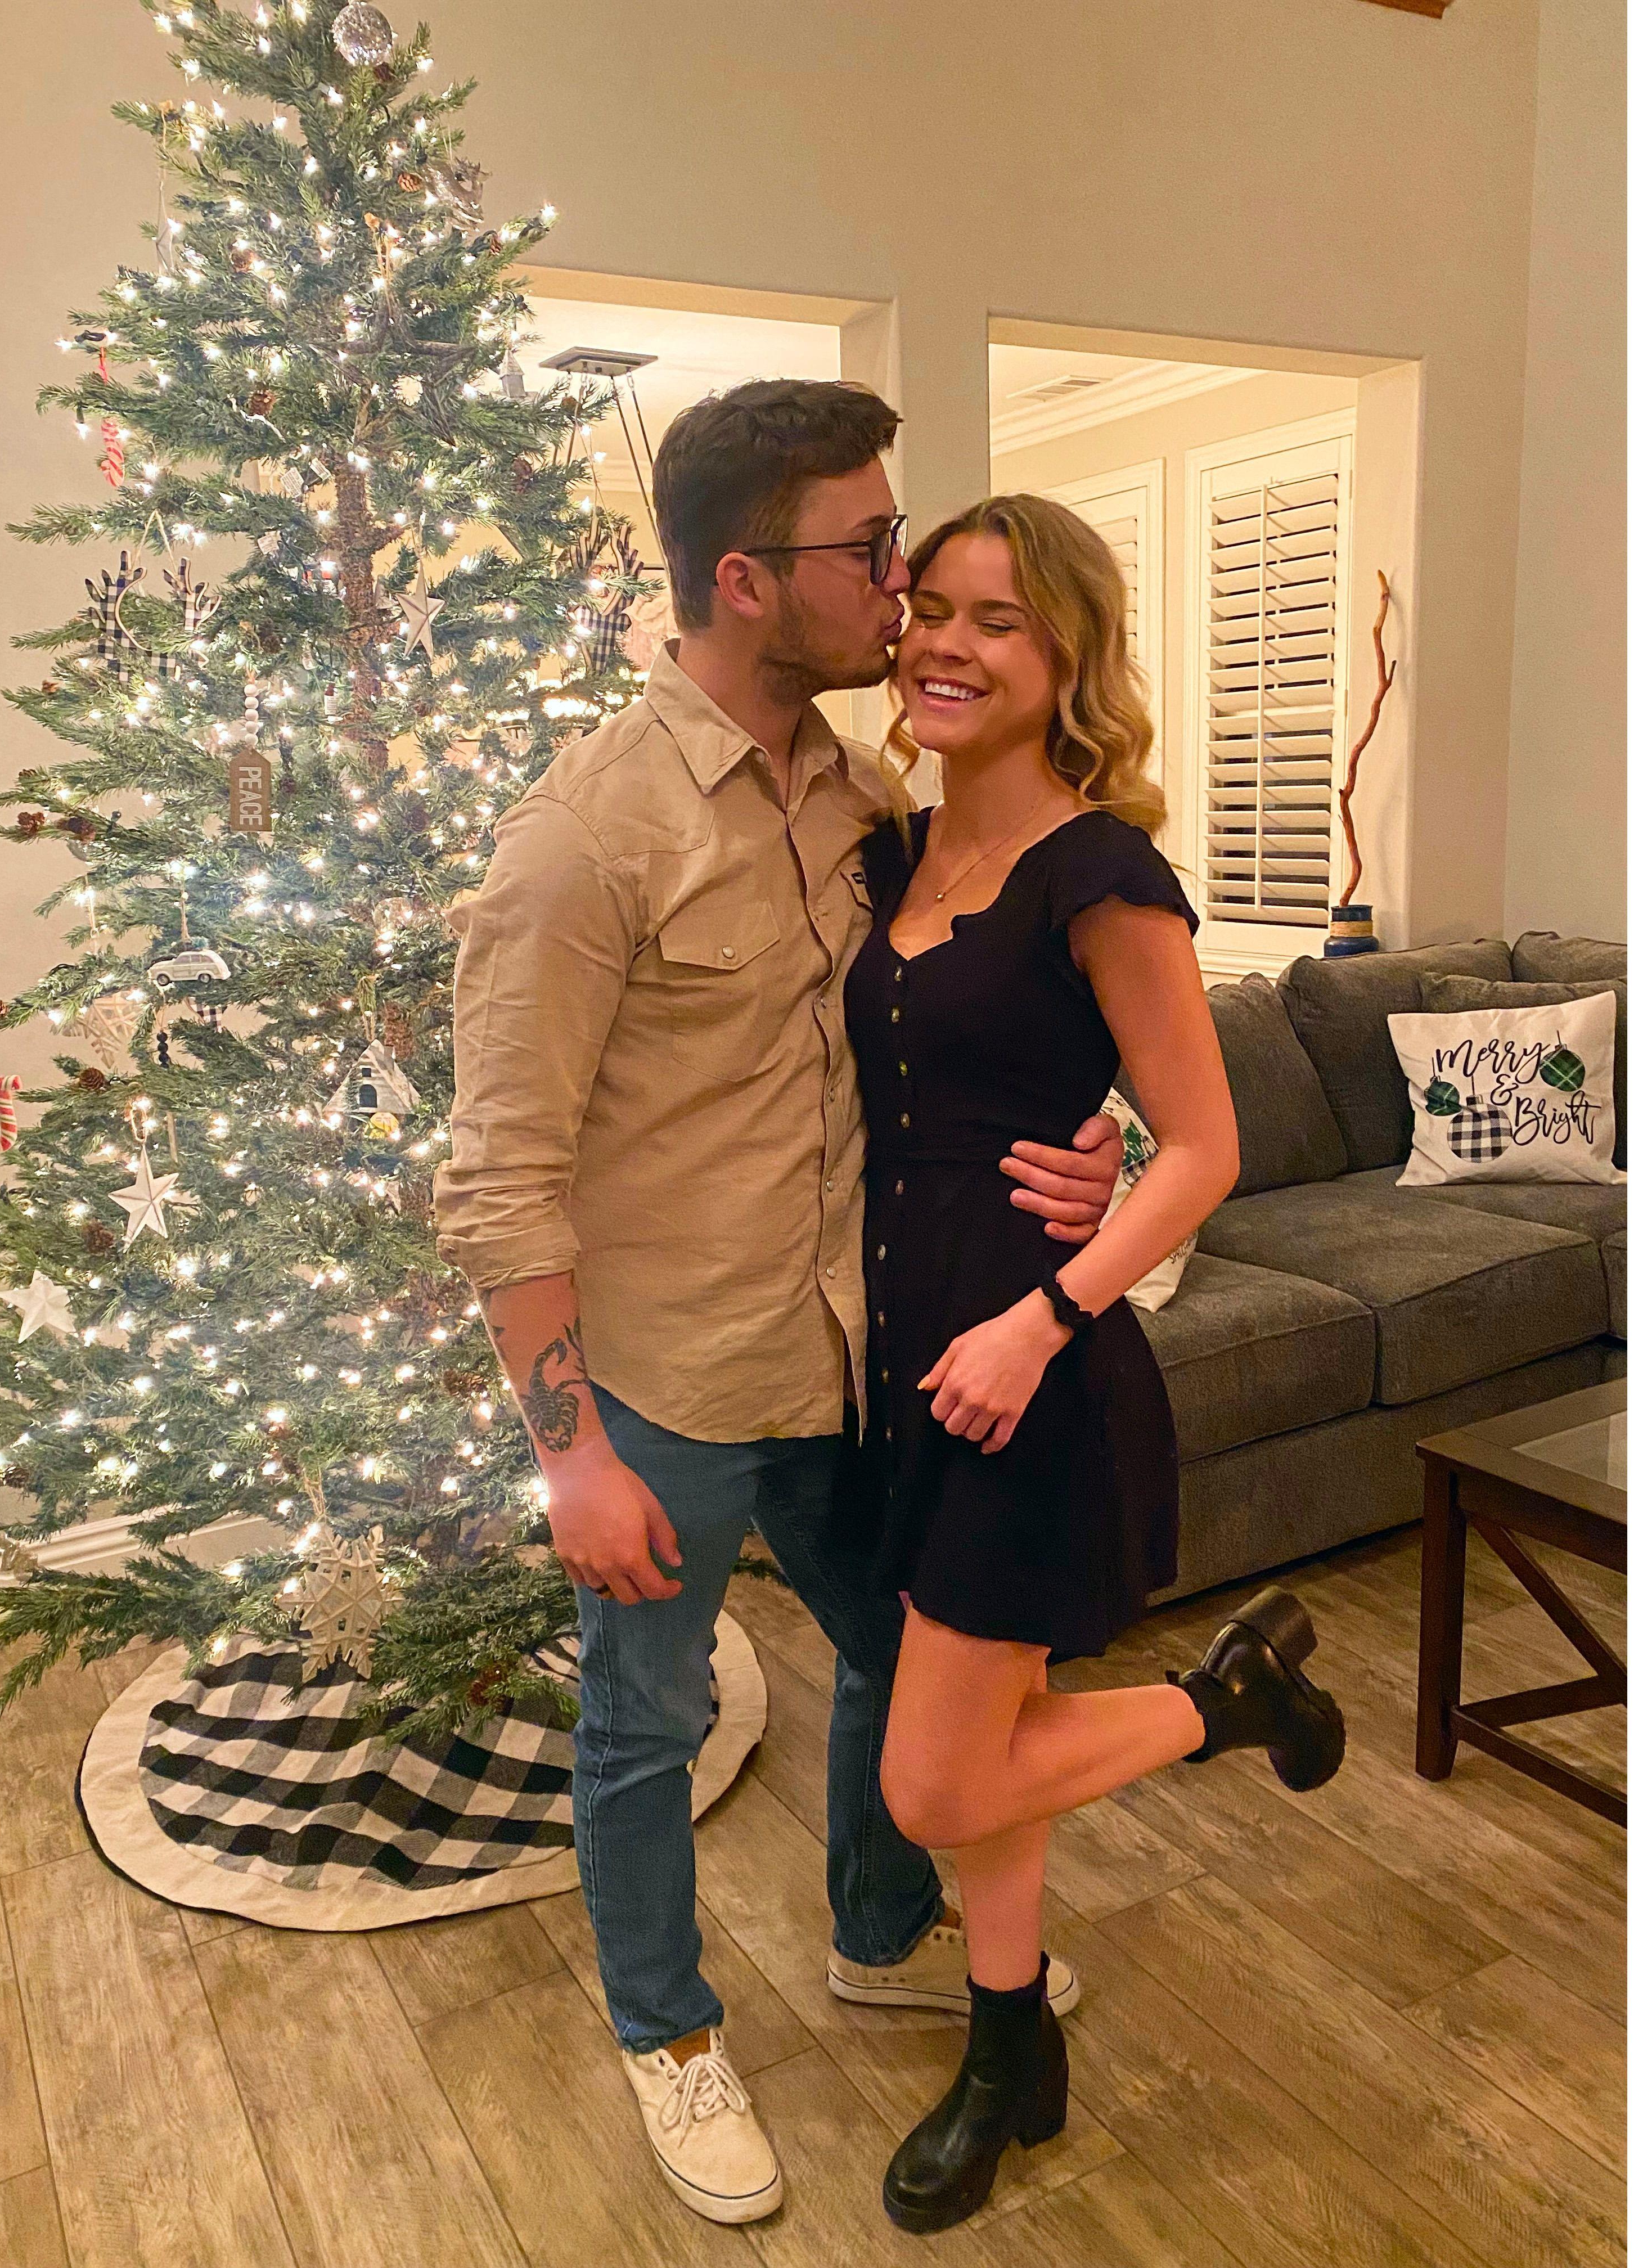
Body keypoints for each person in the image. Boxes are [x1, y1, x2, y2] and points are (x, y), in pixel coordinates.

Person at [434, 382, 1124, 2226]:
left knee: (902, 1659)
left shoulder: (863, 796)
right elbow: (498, 1175)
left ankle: (879, 1934)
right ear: (746, 580)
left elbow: (975, 1026)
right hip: (669, 1386)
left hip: (856, 1362)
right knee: (644, 1725)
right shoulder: (584, 839)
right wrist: (572, 1459)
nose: (903, 587)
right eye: (872, 550)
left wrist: (1098, 1150)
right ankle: (666, 2031)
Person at [847, 493, 1350, 2234]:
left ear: (1068, 659)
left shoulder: (1106, 875)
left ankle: (1230, 1700)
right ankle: (1011, 2048)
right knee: (995, 1741)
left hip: (1028, 1373)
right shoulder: (894, 856)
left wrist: (1046, 1313)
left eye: (998, 620)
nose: (949, 643)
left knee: (934, 1779)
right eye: (932, 606)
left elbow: (1203, 1146)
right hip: (906, 1357)